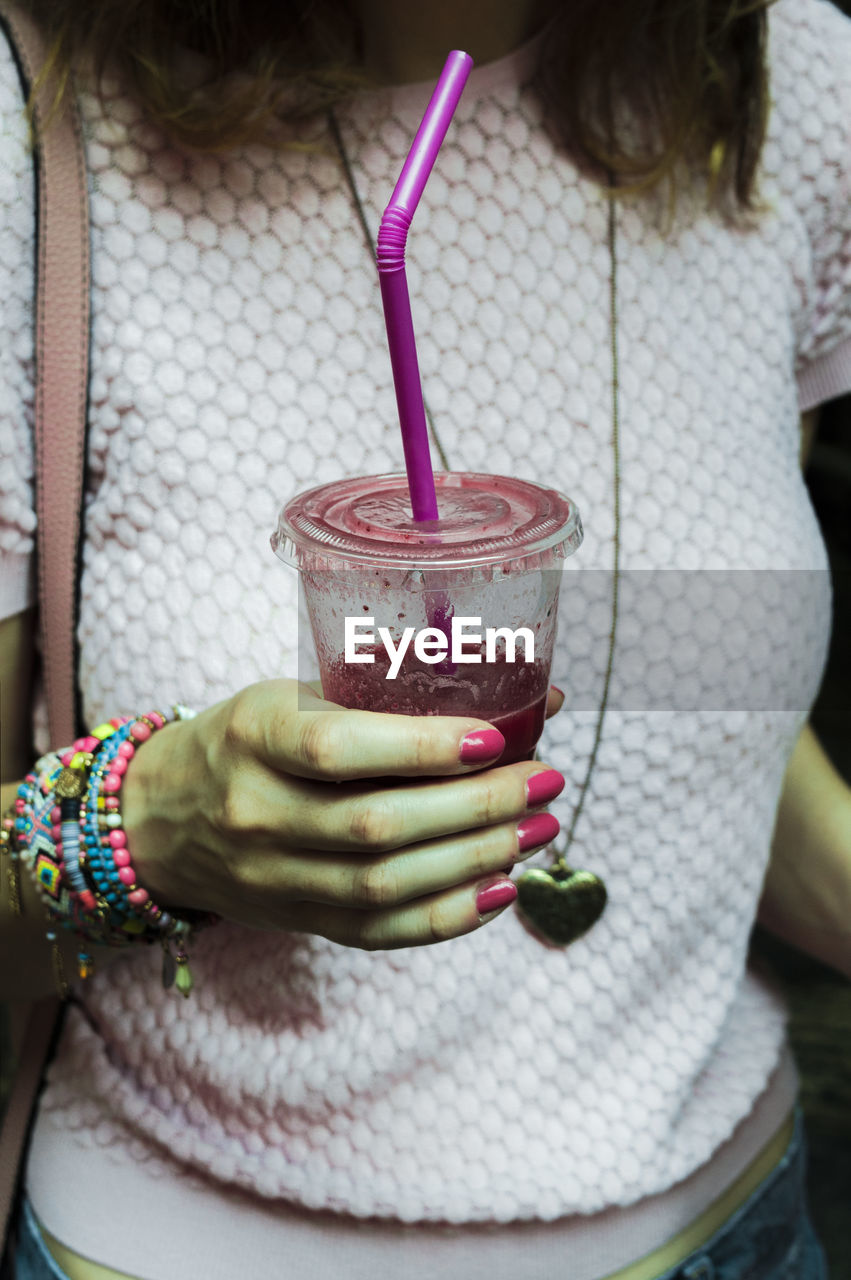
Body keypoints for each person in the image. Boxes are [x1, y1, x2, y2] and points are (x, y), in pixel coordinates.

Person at [1, 0, 850, 1277]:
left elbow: (700, 690)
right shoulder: (34, 126)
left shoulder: (780, 83)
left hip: (739, 1219)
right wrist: (153, 827)